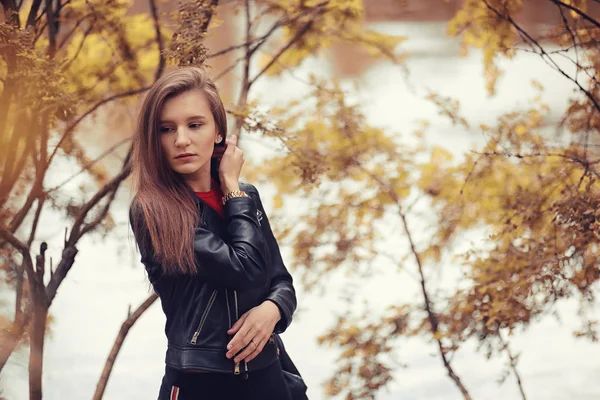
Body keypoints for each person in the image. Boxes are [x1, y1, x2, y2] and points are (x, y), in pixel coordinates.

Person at [129, 66, 298, 400]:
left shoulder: (247, 197)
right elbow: (245, 270)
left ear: (218, 131)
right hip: (201, 382)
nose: (181, 140)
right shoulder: (154, 212)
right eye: (166, 129)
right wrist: (232, 188)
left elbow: (281, 282)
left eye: (194, 125)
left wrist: (273, 310)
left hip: (266, 374)